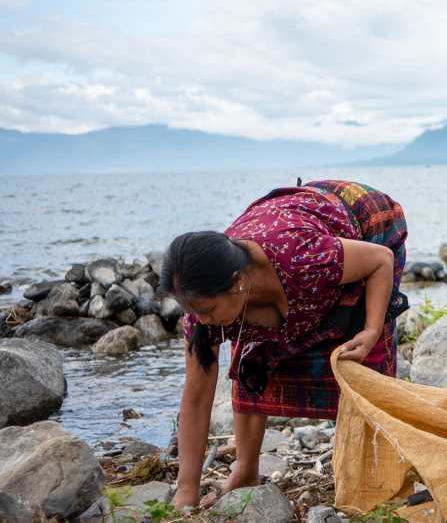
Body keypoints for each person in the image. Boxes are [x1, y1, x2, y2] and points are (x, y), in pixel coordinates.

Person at [162, 180, 409, 509]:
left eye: (207, 310)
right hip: (287, 247)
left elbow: (380, 259)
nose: (201, 320)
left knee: (367, 357)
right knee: (251, 358)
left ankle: (381, 469)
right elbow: (195, 399)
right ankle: (245, 470)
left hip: (365, 220)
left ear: (237, 284)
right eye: (193, 311)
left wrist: (372, 328)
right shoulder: (203, 314)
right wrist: (186, 489)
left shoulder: (303, 257)